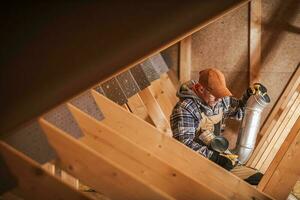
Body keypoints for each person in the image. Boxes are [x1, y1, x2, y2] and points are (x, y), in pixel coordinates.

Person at [170, 68, 265, 174]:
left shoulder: (220, 99)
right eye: (215, 95)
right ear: (200, 89)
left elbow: (237, 113)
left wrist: (247, 98)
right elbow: (184, 144)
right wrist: (216, 158)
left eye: (220, 96)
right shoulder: (185, 108)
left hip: (215, 153)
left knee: (257, 178)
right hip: (194, 164)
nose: (219, 100)